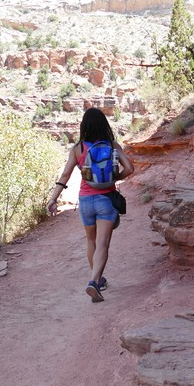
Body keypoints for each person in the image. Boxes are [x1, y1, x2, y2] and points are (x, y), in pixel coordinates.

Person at [46, 107, 135, 303]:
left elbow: (65, 175)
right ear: (104, 124)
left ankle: (99, 280)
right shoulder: (112, 145)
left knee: (91, 241)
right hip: (106, 200)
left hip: (86, 201)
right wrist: (115, 179)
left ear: (83, 126)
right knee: (103, 243)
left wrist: (53, 198)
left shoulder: (78, 148)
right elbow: (130, 168)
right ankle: (94, 282)